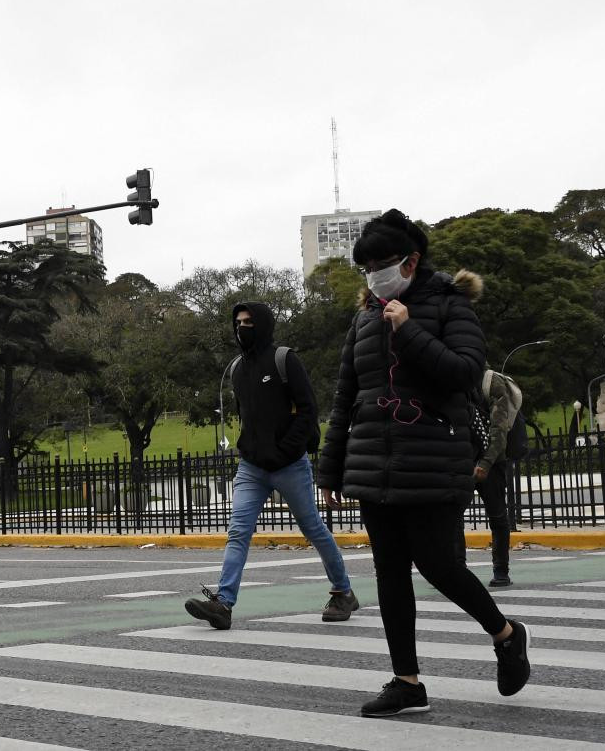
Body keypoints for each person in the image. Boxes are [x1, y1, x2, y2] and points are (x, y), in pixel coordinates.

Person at [315, 209, 530, 718]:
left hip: (434, 457)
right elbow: (347, 394)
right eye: (365, 267)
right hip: (375, 461)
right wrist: (330, 467)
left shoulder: (450, 305)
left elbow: (464, 372)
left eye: (382, 264)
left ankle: (505, 634)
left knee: (439, 565)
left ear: (411, 261)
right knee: (389, 572)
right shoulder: (365, 316)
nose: (373, 276)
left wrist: (409, 330)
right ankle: (407, 681)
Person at [185, 302, 357, 630]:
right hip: (251, 468)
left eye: (248, 322)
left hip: (289, 465)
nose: (241, 328)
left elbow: (308, 410)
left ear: (262, 324)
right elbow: (249, 416)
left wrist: (284, 450)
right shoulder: (237, 368)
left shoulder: (284, 360)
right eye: (237, 323)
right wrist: (250, 448)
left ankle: (343, 592)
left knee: (314, 530)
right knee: (238, 530)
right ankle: (223, 603)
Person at [475, 367, 522, 587]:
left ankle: (501, 570)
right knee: (450, 517)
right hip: (461, 458)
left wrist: (485, 462)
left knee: (497, 516)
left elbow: (499, 427)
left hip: (491, 461)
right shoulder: (450, 375)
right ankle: (455, 568)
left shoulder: (489, 381)